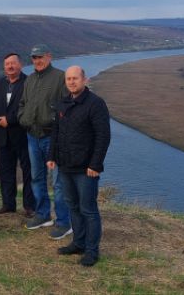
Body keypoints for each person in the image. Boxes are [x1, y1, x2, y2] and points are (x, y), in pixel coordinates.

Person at [48, 66, 111, 267]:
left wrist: (95, 164)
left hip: (86, 169)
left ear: (84, 79)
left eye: (75, 78)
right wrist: (52, 156)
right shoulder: (63, 103)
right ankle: (78, 243)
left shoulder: (95, 104)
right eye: (68, 79)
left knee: (88, 210)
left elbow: (103, 136)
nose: (72, 82)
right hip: (65, 167)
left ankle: (92, 251)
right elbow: (56, 133)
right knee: (73, 206)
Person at [18, 43, 71, 239]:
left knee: (59, 181)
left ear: (49, 56)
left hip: (53, 137)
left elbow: (67, 106)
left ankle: (64, 222)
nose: (37, 61)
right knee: (37, 177)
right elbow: (22, 104)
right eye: (34, 58)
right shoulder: (30, 79)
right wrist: (24, 119)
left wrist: (55, 124)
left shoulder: (60, 77)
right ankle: (42, 215)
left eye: (40, 57)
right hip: (33, 136)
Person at [0, 52, 35, 216]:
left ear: (20, 65)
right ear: (4, 66)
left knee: (28, 172)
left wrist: (10, 120)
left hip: (23, 135)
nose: (10, 66)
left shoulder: (29, 82)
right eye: (7, 64)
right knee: (5, 171)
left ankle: (29, 207)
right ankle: (8, 205)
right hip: (2, 136)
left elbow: (29, 107)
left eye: (13, 63)